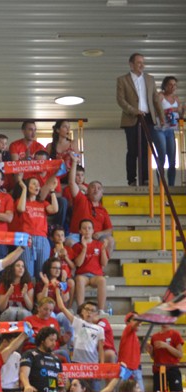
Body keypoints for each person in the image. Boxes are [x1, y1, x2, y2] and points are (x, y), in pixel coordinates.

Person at [116, 53, 166, 186]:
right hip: (131, 118)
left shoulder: (150, 79)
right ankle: (131, 179)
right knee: (132, 150)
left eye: (143, 62)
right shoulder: (122, 80)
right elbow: (121, 100)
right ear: (131, 64)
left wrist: (161, 116)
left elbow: (155, 98)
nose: (141, 65)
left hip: (148, 118)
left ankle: (145, 179)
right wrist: (134, 111)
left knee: (145, 148)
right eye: (138, 62)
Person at [67, 163, 115, 257]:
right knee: (69, 242)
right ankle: (73, 270)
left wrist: (100, 233)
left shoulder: (103, 210)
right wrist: (74, 162)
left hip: (95, 237)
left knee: (110, 240)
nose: (96, 190)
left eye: (99, 188)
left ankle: (100, 269)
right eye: (93, 187)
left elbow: (109, 230)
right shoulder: (81, 199)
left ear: (102, 194)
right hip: (78, 235)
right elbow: (72, 182)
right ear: (87, 190)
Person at [15, 177, 58, 278]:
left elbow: (54, 209)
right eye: (34, 183)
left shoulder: (42, 203)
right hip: (25, 238)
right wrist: (24, 189)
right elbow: (21, 208)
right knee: (27, 274)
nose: (37, 186)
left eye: (38, 184)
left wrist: (52, 191)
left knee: (42, 273)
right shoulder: (21, 201)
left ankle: (40, 293)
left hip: (42, 238)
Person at [54, 290, 105, 364]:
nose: (89, 312)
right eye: (87, 309)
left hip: (93, 362)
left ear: (96, 314)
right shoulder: (78, 322)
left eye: (92, 310)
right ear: (82, 311)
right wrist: (57, 292)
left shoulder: (100, 329)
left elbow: (101, 348)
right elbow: (62, 307)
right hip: (77, 361)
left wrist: (102, 364)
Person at [71, 219, 109, 313]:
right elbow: (78, 264)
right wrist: (84, 248)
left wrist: (103, 250)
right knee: (79, 279)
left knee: (102, 280)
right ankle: (80, 309)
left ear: (93, 230)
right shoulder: (76, 246)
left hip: (96, 275)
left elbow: (104, 263)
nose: (87, 230)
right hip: (82, 275)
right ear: (80, 231)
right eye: (84, 228)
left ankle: (100, 309)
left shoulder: (99, 245)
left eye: (89, 228)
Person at [19, 326, 62, 392]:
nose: (54, 343)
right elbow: (23, 374)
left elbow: (62, 384)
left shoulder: (57, 359)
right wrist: (27, 385)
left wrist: (65, 383)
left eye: (55, 340)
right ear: (42, 340)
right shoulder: (30, 354)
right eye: (51, 340)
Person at [157, 76, 183, 186]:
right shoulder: (160, 96)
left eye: (174, 85)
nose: (172, 87)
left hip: (171, 130)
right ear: (165, 85)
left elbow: (181, 113)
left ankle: (171, 186)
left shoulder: (177, 99)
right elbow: (156, 109)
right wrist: (171, 109)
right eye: (170, 85)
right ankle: (161, 185)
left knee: (172, 159)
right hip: (160, 129)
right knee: (162, 156)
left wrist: (179, 109)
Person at [150, 324, 184, 392]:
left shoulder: (175, 334)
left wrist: (166, 346)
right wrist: (150, 351)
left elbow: (180, 354)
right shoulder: (154, 337)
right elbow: (154, 357)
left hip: (172, 369)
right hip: (159, 370)